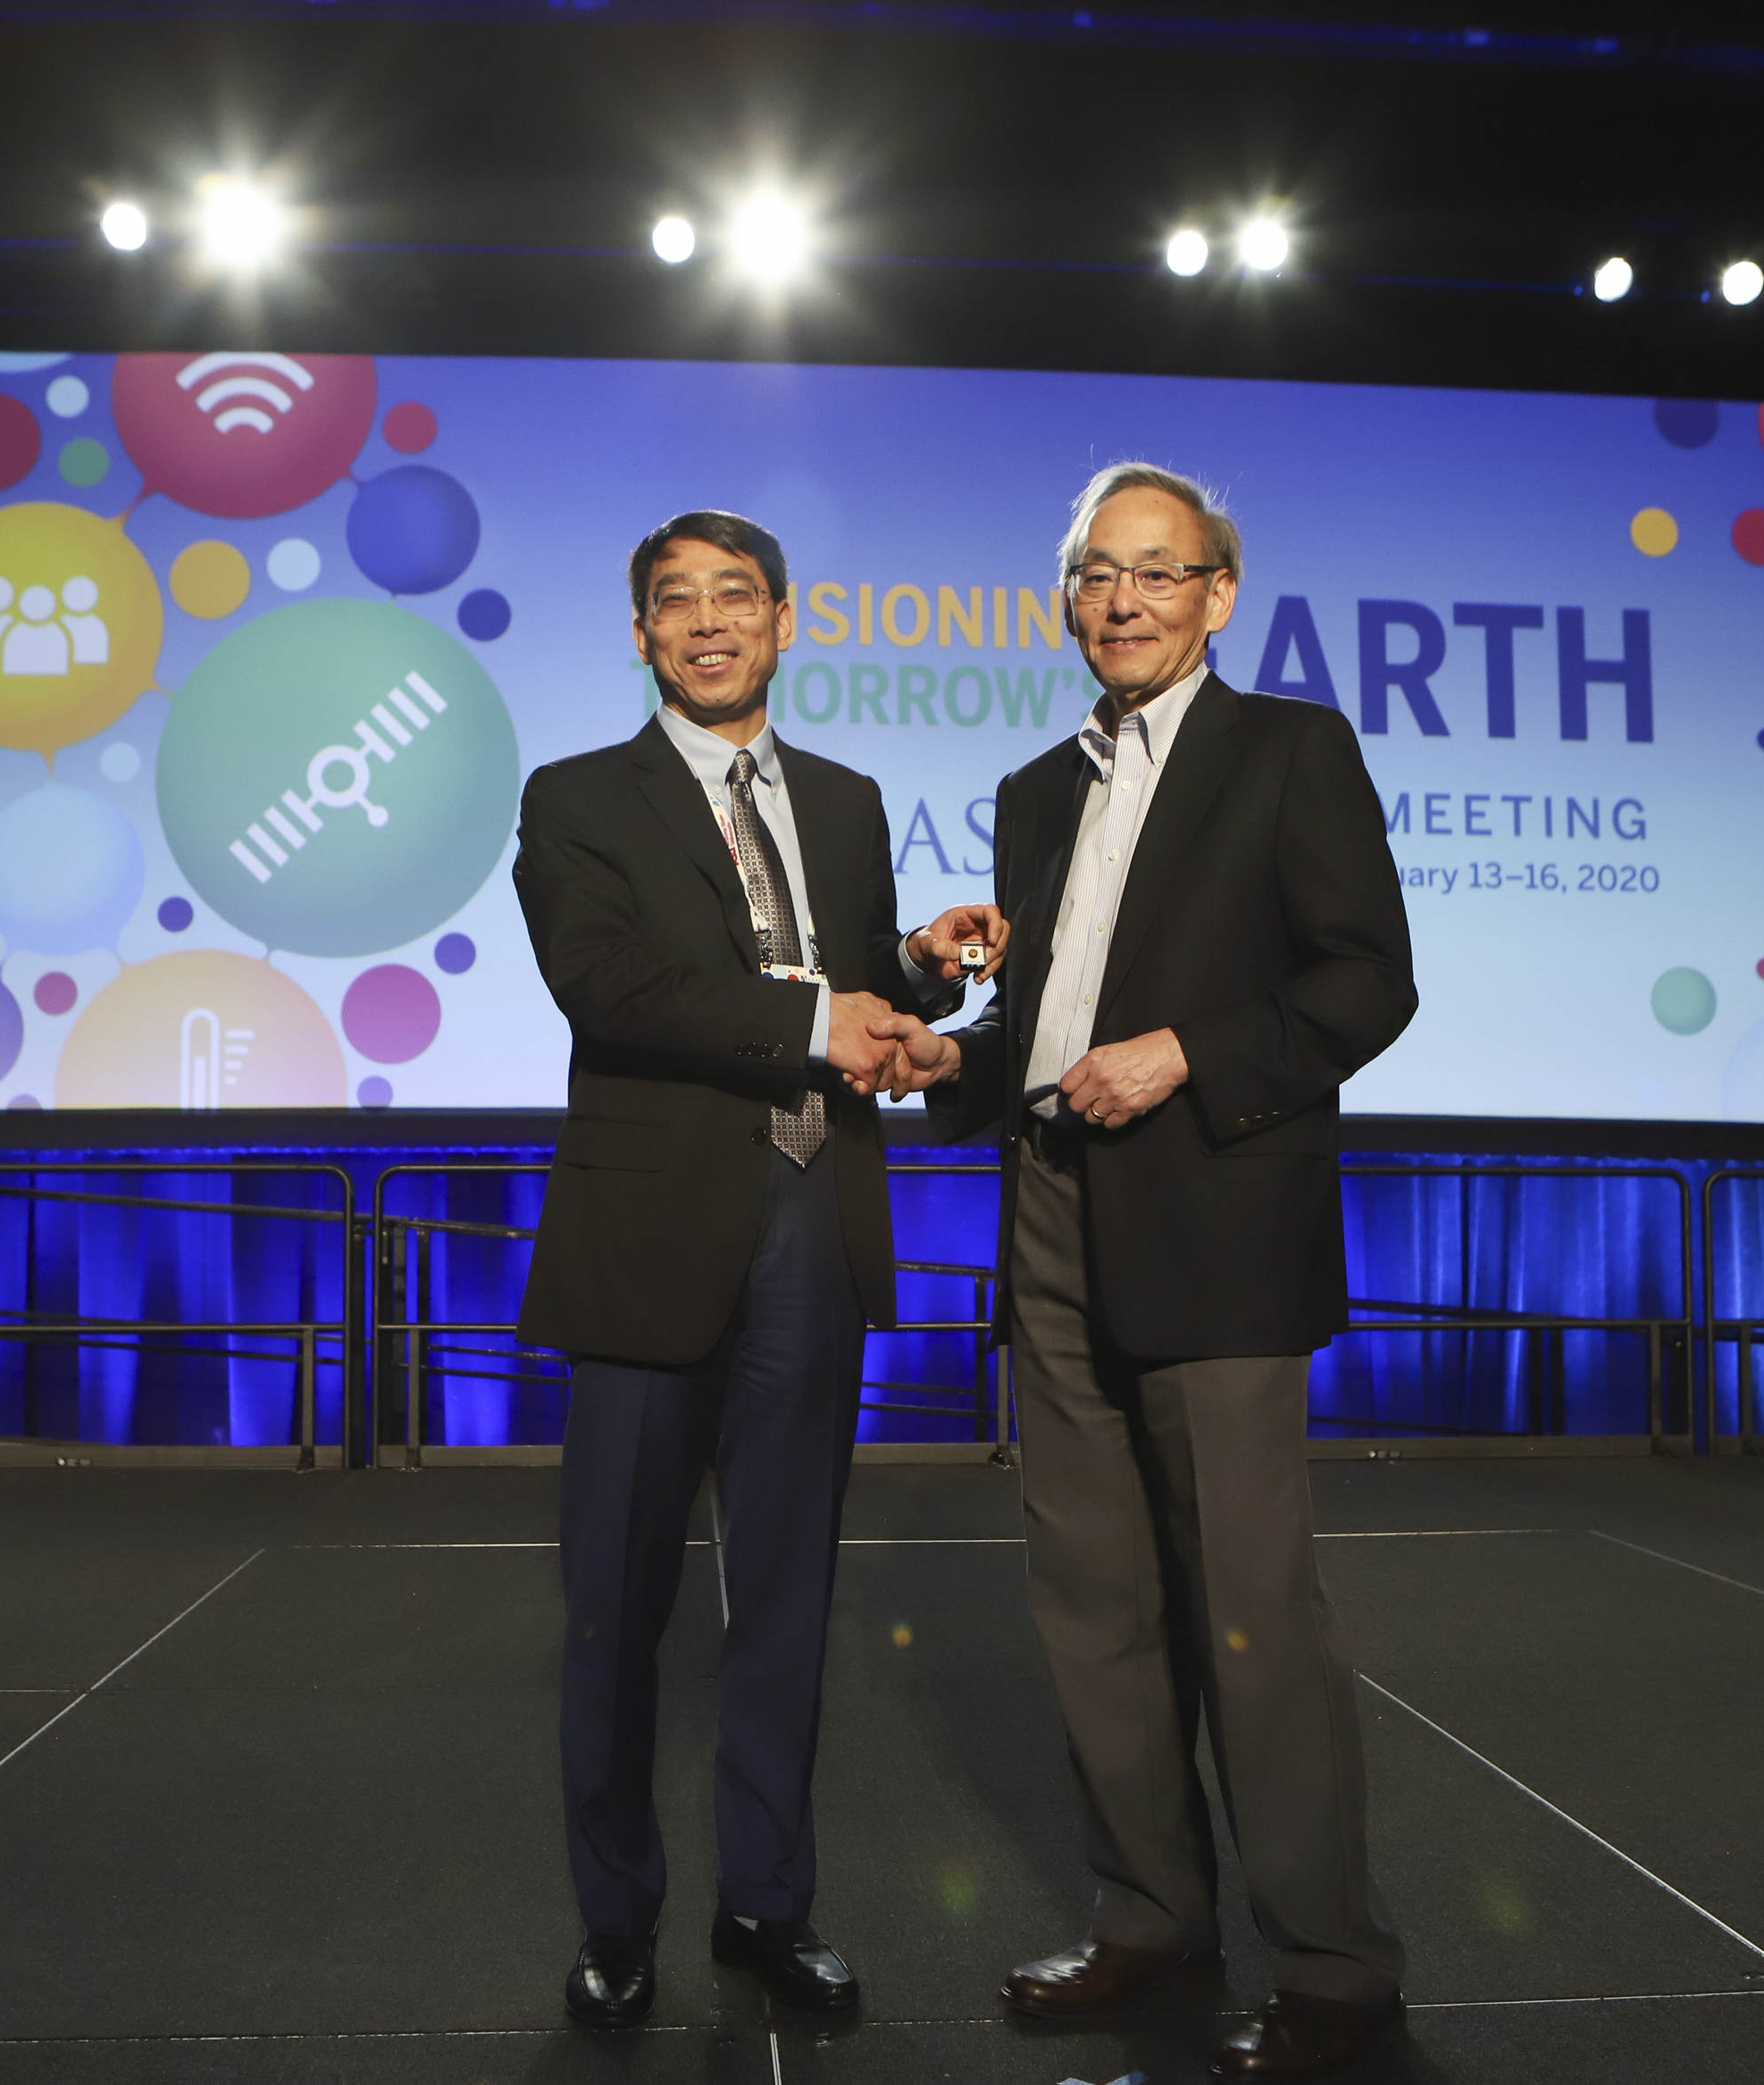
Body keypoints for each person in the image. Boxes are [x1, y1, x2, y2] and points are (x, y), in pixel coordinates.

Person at [881, 463, 1419, 2079]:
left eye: (1158, 572)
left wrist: (1188, 1049)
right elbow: (1041, 1039)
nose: (1124, 599)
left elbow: (1368, 983)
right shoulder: (1039, 789)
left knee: (1253, 1608)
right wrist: (940, 1062)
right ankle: (1150, 1918)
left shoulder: (1291, 750)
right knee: (1091, 1598)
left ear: (1218, 595)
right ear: (1066, 597)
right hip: (1051, 1210)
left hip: (1216, 1229)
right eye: (1097, 573)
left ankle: (1330, 1958)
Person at [514, 508, 1009, 2031]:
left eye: (738, 597)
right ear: (645, 634)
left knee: (786, 1603)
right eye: (679, 603)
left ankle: (766, 1904)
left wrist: (921, 966)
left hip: (815, 1224)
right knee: (614, 1611)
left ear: (787, 620)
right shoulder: (579, 796)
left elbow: (844, 972)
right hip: (653, 1239)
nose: (711, 623)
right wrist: (815, 1020)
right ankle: (615, 1921)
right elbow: (608, 986)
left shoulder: (849, 799)